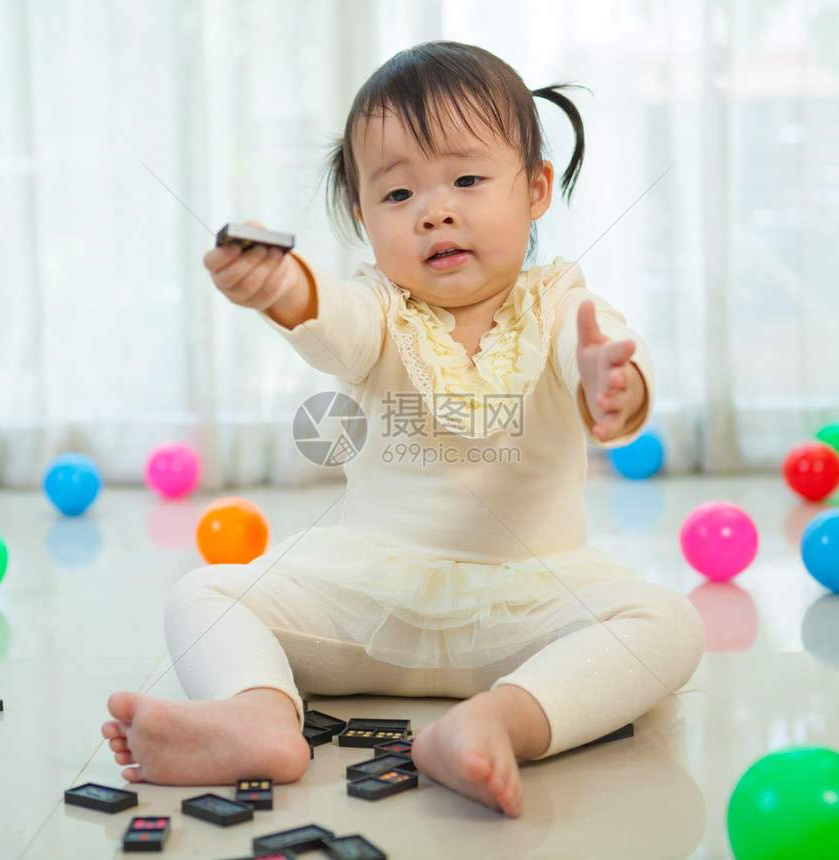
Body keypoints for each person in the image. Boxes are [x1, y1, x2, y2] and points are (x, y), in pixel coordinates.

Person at [102, 41, 704, 819]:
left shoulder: (562, 303)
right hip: (367, 598)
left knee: (669, 625)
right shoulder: (380, 305)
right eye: (397, 195)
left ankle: (501, 720)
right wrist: (285, 286)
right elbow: (334, 327)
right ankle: (258, 715)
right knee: (205, 592)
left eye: (467, 179)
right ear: (362, 216)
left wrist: (611, 384)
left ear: (536, 189)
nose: (435, 209)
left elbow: (600, 353)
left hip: (526, 610)